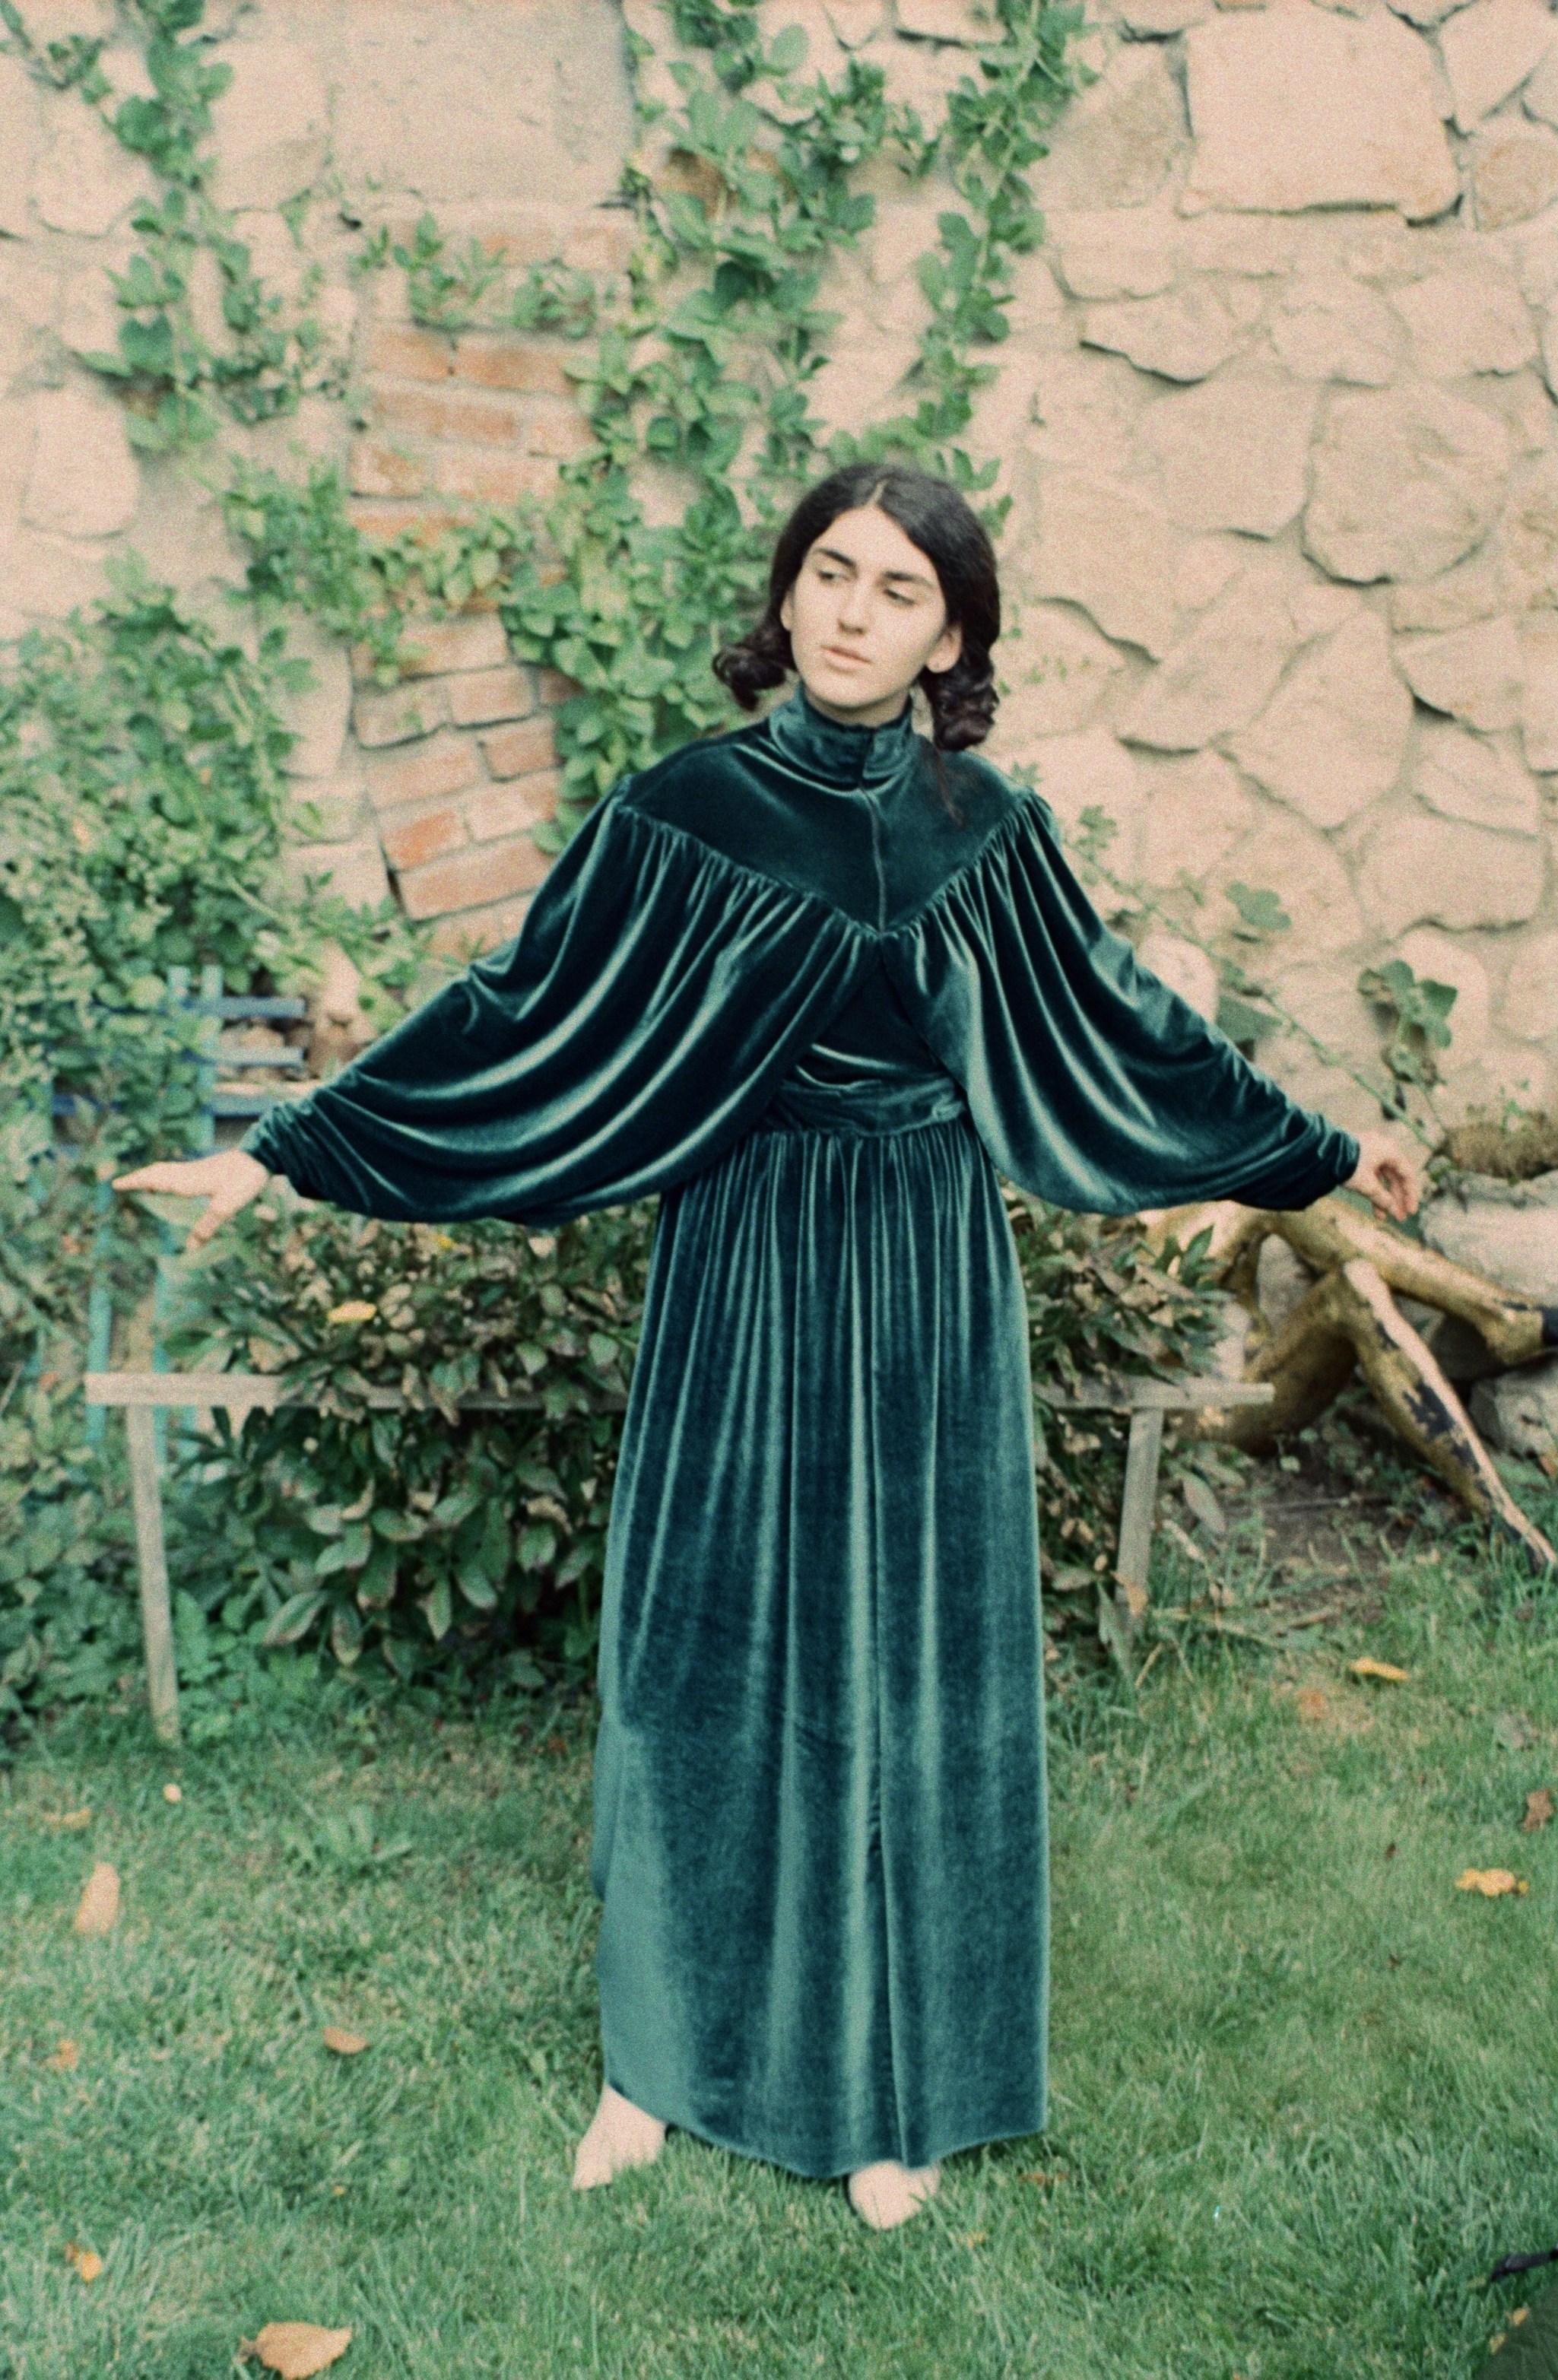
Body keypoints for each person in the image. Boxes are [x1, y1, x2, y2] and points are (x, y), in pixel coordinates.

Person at [116, 462, 1420, 2231]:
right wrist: (283, 1149)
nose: (853, 611)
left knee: (912, 1669)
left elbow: (1132, 1036)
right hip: (743, 1267)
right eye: (829, 573)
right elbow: (516, 1020)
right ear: (787, 593)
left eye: (897, 588)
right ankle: (654, 2061)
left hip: (927, 1283)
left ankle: (896, 2090)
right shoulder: (685, 814)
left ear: (950, 628)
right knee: (700, 1655)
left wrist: (1324, 1152)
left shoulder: (989, 831)